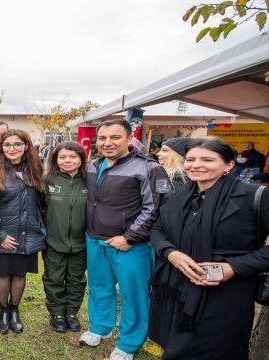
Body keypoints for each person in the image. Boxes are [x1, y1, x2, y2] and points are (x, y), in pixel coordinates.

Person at [149, 138, 269, 360]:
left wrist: (232, 267)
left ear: (229, 165)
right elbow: (157, 230)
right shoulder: (178, 196)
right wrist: (171, 253)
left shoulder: (254, 197)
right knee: (176, 346)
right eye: (191, 159)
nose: (196, 165)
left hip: (226, 295)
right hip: (178, 287)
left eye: (207, 159)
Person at [79, 119, 168, 360]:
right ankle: (100, 327)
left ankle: (129, 343)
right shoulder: (92, 165)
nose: (107, 143)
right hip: (95, 240)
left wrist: (130, 237)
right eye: (102, 138)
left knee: (133, 294)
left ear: (130, 139)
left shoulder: (148, 168)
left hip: (129, 245)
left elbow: (155, 208)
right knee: (98, 287)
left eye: (115, 137)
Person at [0, 129, 45, 335]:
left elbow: (42, 203)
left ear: (26, 146)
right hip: (3, 231)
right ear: (1, 147)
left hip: (28, 231)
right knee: (2, 273)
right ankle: (4, 310)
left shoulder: (36, 169)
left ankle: (15, 309)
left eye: (17, 144)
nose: (11, 149)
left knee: (19, 273)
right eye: (7, 145)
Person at [41, 142, 88, 333]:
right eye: (62, 157)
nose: (67, 160)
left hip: (82, 243)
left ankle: (71, 314)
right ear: (55, 160)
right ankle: (57, 314)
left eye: (72, 156)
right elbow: (39, 208)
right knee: (54, 279)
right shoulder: (47, 180)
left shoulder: (90, 180)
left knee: (77, 280)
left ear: (81, 159)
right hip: (54, 242)